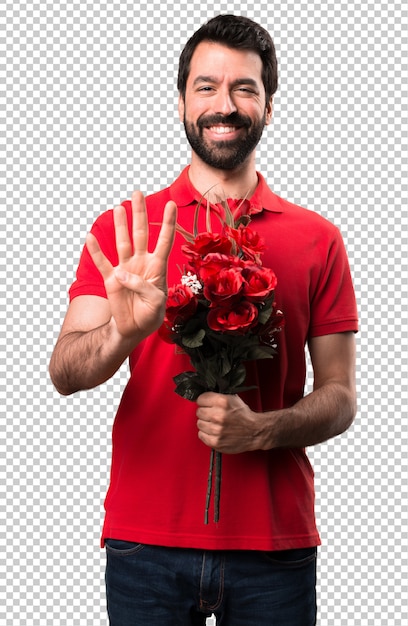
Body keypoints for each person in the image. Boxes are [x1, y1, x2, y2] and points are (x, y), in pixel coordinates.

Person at [49, 14, 358, 626]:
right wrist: (123, 332)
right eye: (207, 86)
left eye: (245, 88)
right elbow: (64, 372)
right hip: (146, 544)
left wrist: (261, 431)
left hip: (274, 547)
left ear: (269, 106)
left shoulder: (318, 239)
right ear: (183, 101)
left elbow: (341, 398)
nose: (226, 104)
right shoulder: (126, 229)